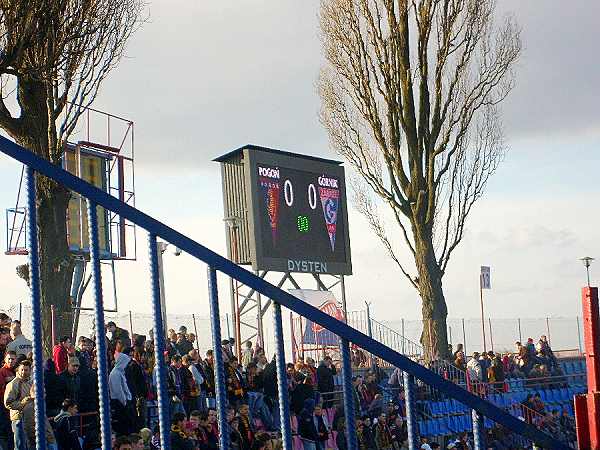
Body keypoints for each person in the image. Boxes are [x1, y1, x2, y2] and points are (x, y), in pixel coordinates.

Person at [109, 351, 134, 436]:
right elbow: (118, 391)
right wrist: (125, 402)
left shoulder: (120, 373)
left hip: (123, 402)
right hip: (119, 403)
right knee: (122, 427)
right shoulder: (115, 374)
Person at [0, 351, 16, 449]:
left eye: (12, 359)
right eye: (9, 359)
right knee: (7, 431)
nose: (10, 361)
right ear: (5, 360)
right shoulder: (2, 372)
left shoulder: (17, 370)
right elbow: (1, 390)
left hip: (15, 407)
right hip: (5, 407)